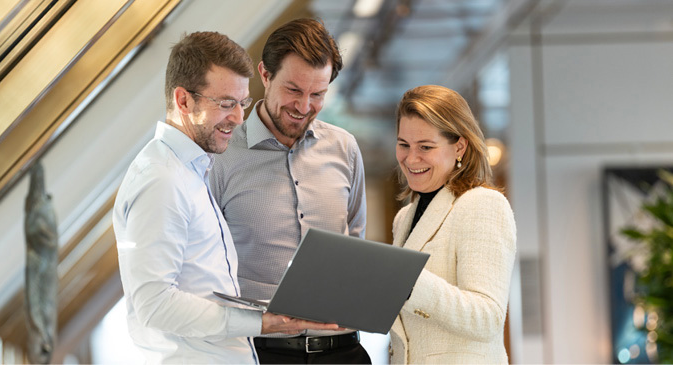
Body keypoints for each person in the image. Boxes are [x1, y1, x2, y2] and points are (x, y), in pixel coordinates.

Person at [112, 31, 339, 364]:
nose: (238, 117)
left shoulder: (189, 170)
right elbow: (154, 303)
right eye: (226, 104)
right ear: (184, 100)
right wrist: (259, 322)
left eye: (243, 103)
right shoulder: (161, 181)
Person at [210, 18, 369, 363]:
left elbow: (355, 243)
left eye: (318, 94)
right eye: (294, 90)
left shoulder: (345, 148)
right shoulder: (220, 156)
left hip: (343, 352)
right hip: (260, 353)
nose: (303, 106)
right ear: (265, 75)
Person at [388, 85, 517, 364]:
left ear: (459, 146)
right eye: (403, 145)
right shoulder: (404, 218)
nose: (411, 158)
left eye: (425, 147)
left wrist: (409, 281)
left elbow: (487, 318)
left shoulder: (481, 204)